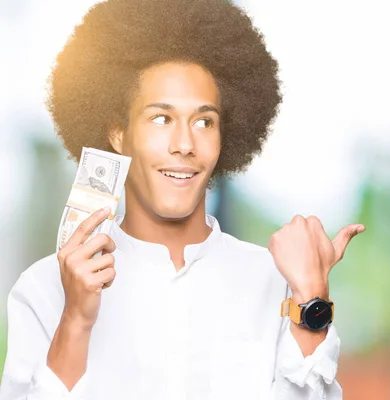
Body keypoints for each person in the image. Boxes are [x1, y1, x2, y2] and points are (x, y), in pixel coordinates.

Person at [0, 0, 366, 399]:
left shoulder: (278, 284)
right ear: (118, 134)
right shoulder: (43, 288)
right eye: (161, 118)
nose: (185, 144)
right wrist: (74, 321)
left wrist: (312, 299)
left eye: (204, 122)